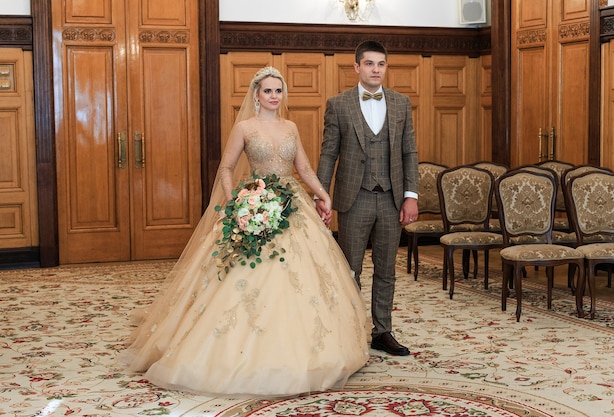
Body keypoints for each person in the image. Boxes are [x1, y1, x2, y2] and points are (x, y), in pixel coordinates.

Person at [118, 66, 369, 397]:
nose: (274, 96)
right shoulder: (245, 127)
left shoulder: (291, 126)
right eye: (268, 91)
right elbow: (226, 168)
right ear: (256, 94)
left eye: (278, 91)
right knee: (243, 278)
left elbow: (304, 168)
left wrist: (323, 195)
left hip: (292, 205)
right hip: (255, 200)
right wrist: (235, 201)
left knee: (305, 277)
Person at [316, 40, 419, 356]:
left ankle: (382, 331)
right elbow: (329, 152)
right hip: (353, 198)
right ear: (357, 67)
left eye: (381, 64)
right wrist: (322, 195)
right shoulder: (339, 104)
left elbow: (409, 152)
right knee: (350, 270)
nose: (376, 69)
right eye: (370, 63)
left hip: (391, 199)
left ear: (386, 67)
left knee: (387, 269)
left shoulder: (401, 104)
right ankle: (348, 332)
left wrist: (410, 195)